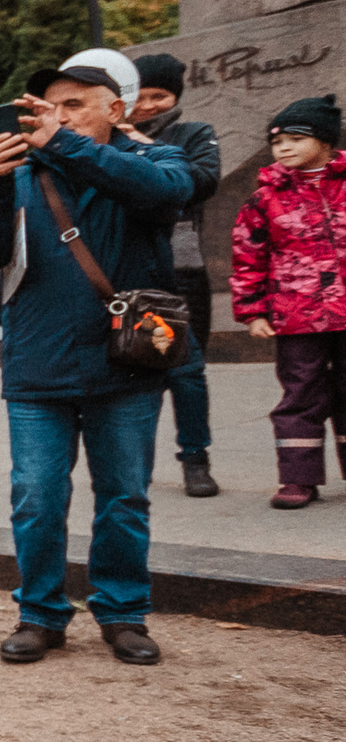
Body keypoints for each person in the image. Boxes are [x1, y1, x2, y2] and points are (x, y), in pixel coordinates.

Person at [0, 63, 194, 667]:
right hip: (38, 363)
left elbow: (167, 193)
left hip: (127, 366)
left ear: (116, 111)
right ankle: (40, 614)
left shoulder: (151, 162)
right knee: (36, 496)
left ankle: (122, 614)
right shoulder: (23, 173)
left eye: (73, 105)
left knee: (123, 497)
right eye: (48, 107)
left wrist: (62, 144)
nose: (55, 117)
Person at [230, 94, 346, 509]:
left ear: (327, 141)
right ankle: (298, 478)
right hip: (298, 316)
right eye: (277, 143)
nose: (285, 149)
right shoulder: (266, 198)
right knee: (302, 393)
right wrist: (253, 311)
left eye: (296, 139)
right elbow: (248, 255)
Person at [130, 53, 228, 496]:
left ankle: (195, 458)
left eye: (160, 95)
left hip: (182, 269)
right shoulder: (105, 139)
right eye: (140, 95)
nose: (148, 105)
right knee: (134, 370)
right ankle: (134, 461)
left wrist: (142, 147)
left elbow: (202, 181)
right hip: (128, 269)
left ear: (176, 96)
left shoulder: (193, 134)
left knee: (186, 370)